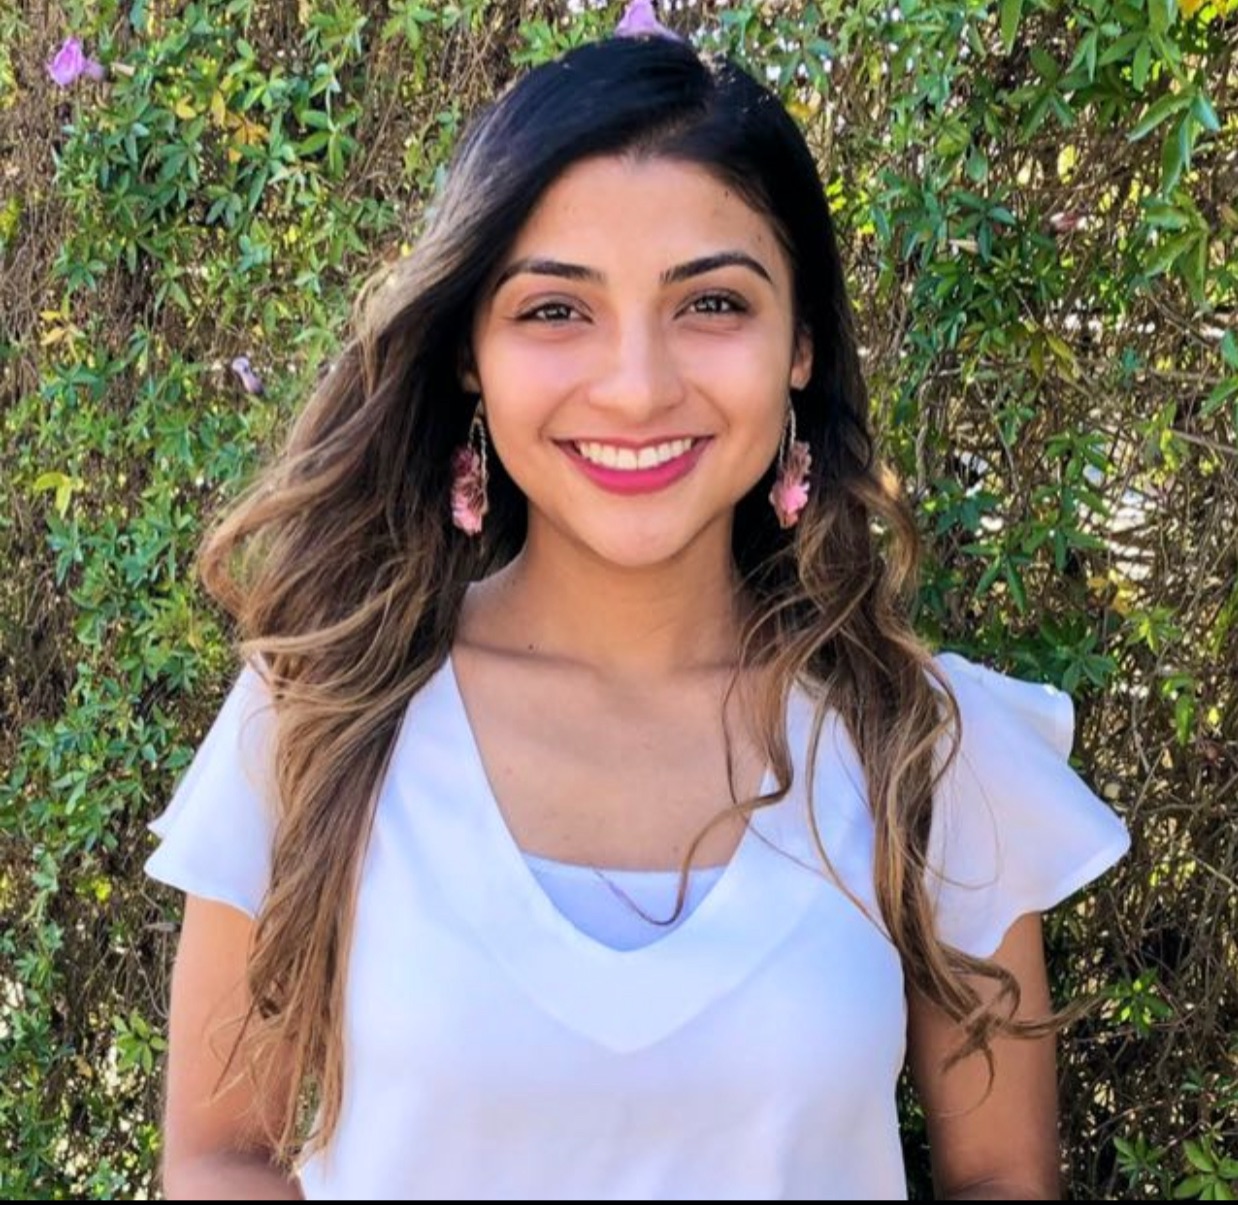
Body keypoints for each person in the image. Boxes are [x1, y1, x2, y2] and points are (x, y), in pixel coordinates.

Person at [143, 4, 1130, 1199]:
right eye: (555, 309)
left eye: (710, 303)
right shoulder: (320, 715)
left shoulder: (924, 746)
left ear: (800, 344)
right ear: (469, 351)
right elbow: (221, 1152)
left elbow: (1000, 1176)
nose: (634, 386)